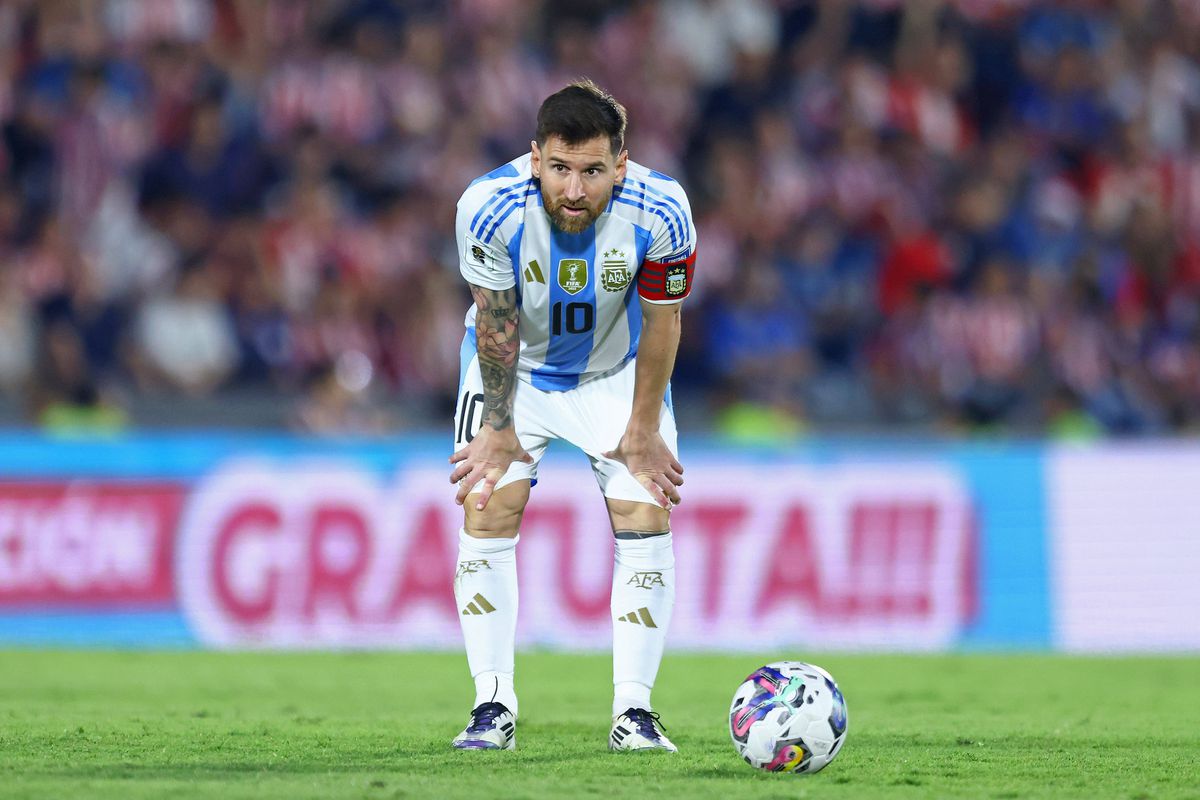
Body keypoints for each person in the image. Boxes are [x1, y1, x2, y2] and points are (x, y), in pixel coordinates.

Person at [448, 79, 696, 752]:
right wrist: (497, 428)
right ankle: (491, 704)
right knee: (486, 504)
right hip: (515, 371)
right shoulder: (488, 207)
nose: (575, 189)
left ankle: (634, 714)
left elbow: (664, 322)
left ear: (621, 163)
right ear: (535, 158)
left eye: (592, 170)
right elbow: (496, 324)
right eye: (559, 168)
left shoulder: (664, 209)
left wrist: (642, 431)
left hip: (614, 375)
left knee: (647, 512)